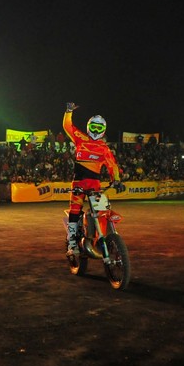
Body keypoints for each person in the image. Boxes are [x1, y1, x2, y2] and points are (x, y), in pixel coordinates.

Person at [62, 102, 125, 255]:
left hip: (95, 185)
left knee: (103, 210)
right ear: (89, 127)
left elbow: (112, 165)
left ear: (103, 130)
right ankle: (72, 243)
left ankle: (101, 238)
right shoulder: (80, 138)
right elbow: (68, 127)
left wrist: (117, 180)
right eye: (94, 127)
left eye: (99, 128)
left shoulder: (104, 148)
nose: (96, 131)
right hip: (78, 183)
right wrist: (69, 112)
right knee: (75, 210)